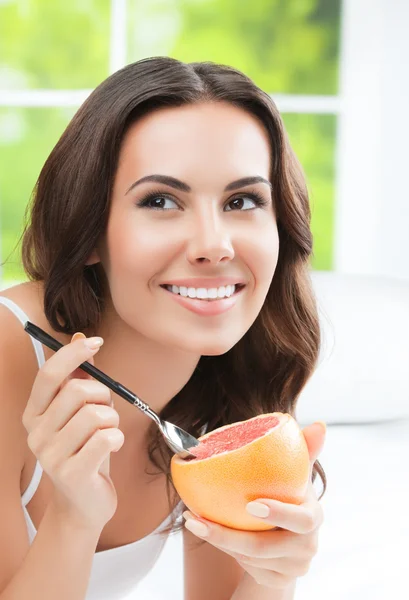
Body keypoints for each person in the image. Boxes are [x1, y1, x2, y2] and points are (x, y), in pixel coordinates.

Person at [0, 56, 327, 600]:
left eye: (242, 200)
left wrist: (274, 576)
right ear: (88, 232)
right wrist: (74, 517)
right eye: (160, 201)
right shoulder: (6, 359)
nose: (214, 245)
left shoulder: (232, 376)